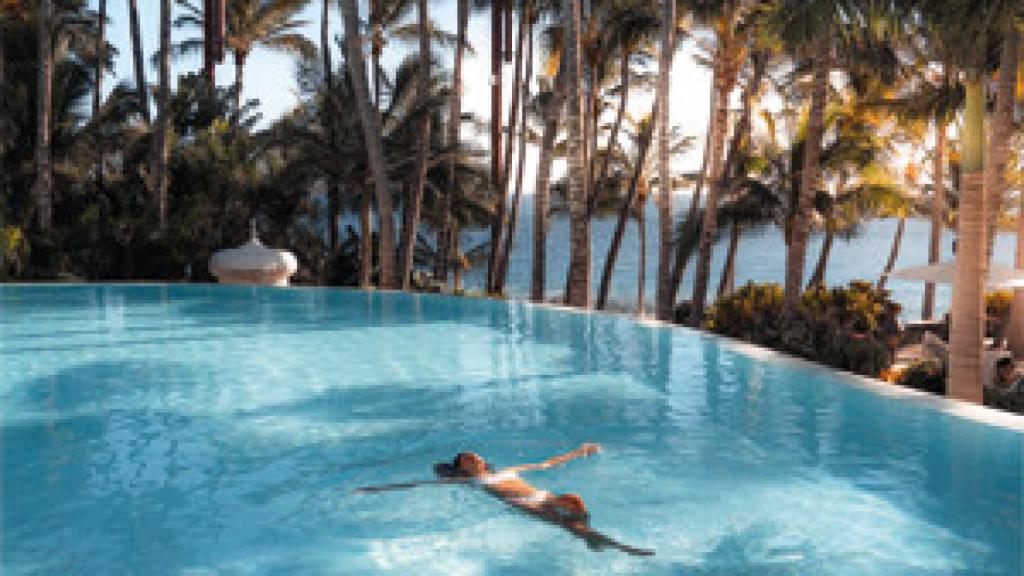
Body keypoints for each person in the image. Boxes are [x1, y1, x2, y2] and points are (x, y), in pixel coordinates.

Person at [355, 444, 654, 557]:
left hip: (542, 497)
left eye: (474, 454)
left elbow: (546, 464)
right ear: (462, 468)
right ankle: (616, 545)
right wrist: (377, 489)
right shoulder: (469, 480)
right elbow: (419, 484)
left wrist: (579, 452)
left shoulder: (509, 470)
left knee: (574, 506)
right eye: (466, 458)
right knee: (572, 513)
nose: (473, 456)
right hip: (525, 505)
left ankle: (593, 539)